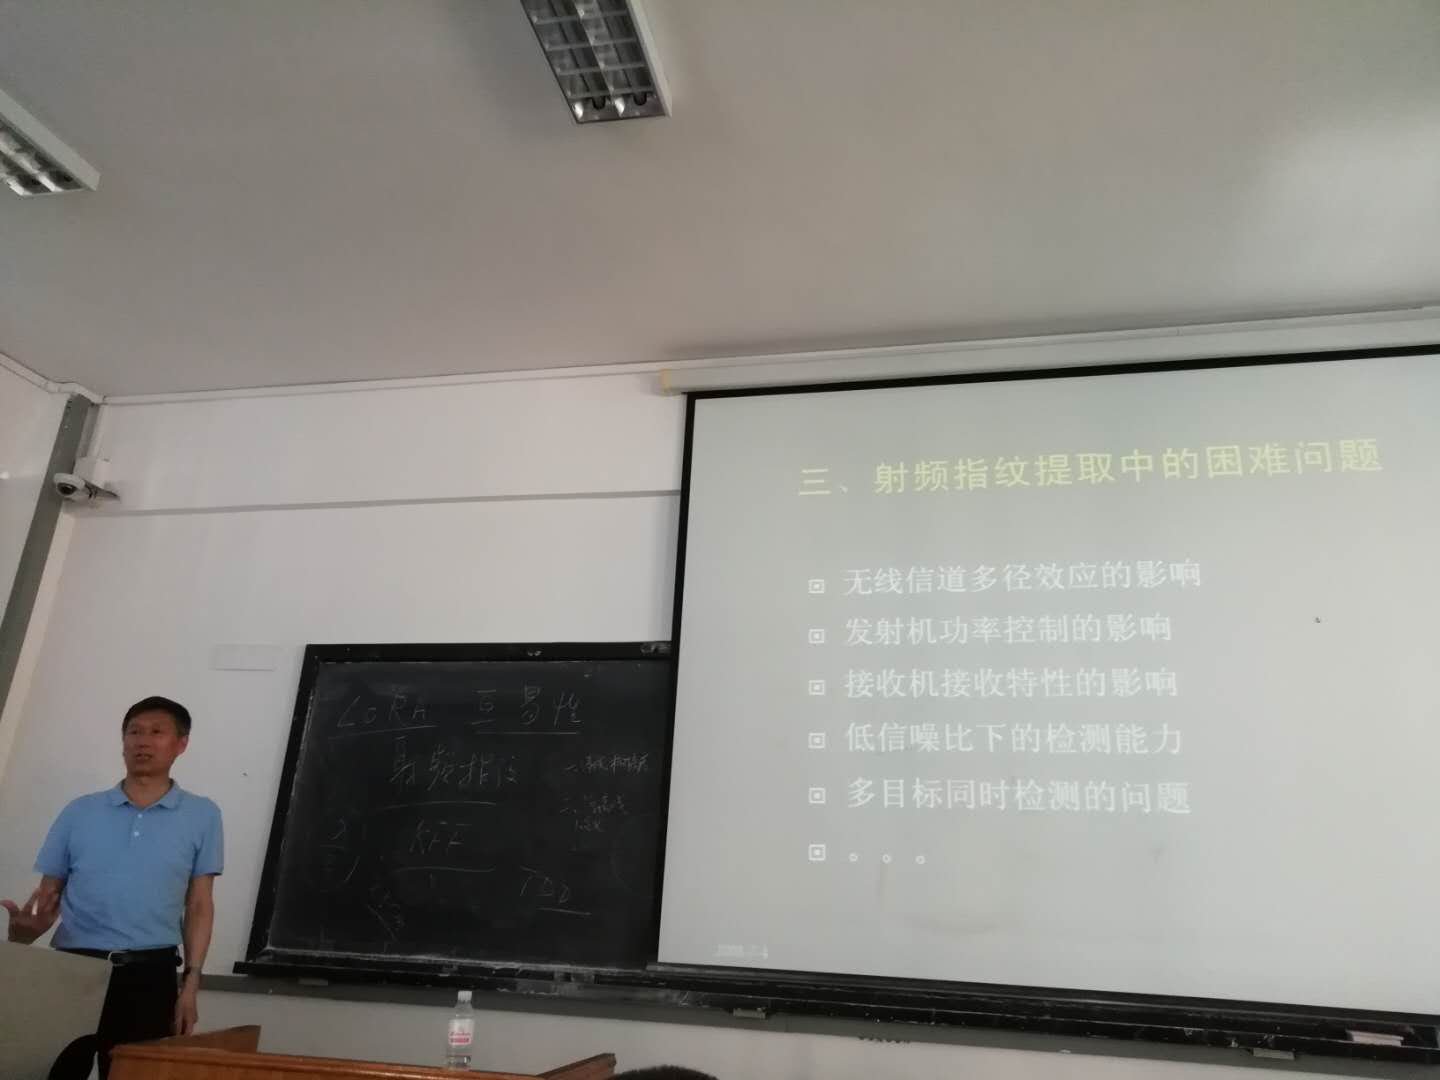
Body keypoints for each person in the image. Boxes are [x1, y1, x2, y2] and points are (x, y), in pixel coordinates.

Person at [3, 696, 224, 1079]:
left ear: (181, 744)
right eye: (134, 732)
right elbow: (46, 897)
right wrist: (22, 934)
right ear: (123, 741)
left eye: (156, 732)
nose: (143, 741)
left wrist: (191, 984)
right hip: (71, 968)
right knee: (51, 1072)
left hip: (149, 974)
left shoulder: (202, 814)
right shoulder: (80, 811)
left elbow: (200, 905)